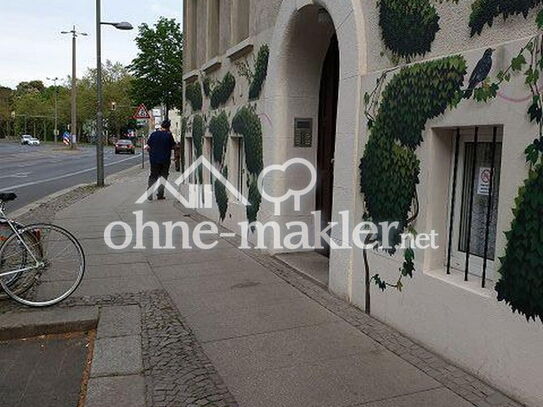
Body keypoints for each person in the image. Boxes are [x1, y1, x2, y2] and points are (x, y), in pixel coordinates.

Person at [146, 119, 176, 200]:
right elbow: (173, 146)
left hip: (154, 159)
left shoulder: (153, 134)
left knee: (153, 175)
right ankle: (160, 194)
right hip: (165, 160)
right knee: (163, 176)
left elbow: (148, 146)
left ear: (161, 126)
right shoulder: (169, 135)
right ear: (168, 127)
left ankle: (149, 193)